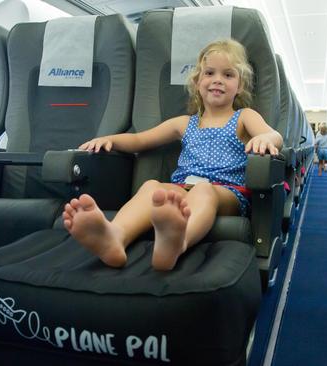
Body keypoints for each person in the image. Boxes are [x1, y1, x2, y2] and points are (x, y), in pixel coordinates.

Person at [62, 39, 283, 271]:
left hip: (227, 193)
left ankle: (179, 241)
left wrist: (264, 139)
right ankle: (114, 237)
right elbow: (140, 140)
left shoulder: (244, 117)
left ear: (239, 87)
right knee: (151, 187)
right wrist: (110, 139)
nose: (217, 79)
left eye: (228, 75)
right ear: (198, 82)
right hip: (183, 188)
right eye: (210, 73)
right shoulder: (185, 123)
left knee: (204, 191)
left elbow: (274, 135)